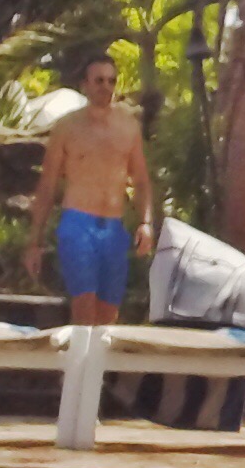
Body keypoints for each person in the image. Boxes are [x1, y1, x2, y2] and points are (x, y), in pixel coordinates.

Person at [25, 52, 155, 329]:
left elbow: (141, 180)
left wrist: (145, 223)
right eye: (99, 81)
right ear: (85, 85)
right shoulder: (66, 128)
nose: (106, 87)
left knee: (108, 317)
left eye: (111, 81)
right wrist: (35, 242)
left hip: (114, 227)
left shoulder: (128, 127)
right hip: (78, 223)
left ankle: (95, 360)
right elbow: (48, 185)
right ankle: (79, 358)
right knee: (84, 308)